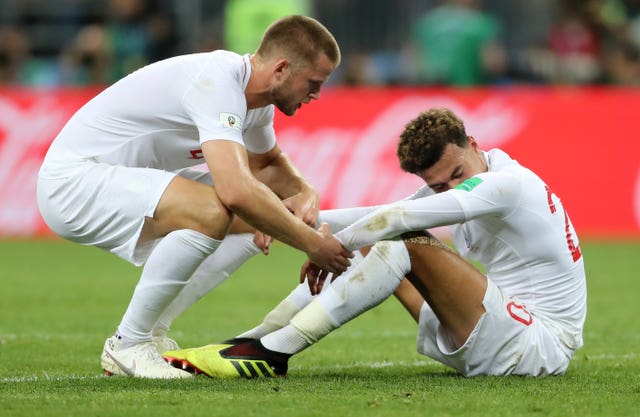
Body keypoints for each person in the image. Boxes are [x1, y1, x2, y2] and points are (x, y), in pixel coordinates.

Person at [36, 15, 353, 379]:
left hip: (115, 179)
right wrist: (312, 243)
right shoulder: (217, 82)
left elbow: (267, 165)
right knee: (217, 210)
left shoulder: (256, 100)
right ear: (281, 69)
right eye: (313, 83)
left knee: (256, 225)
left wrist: (303, 191)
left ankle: (150, 333)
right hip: (74, 182)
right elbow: (235, 190)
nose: (316, 94)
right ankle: (128, 344)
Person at [165, 108, 587, 378]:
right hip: (494, 329)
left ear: (474, 144)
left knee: (398, 239)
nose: (449, 188)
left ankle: (272, 353)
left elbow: (397, 221)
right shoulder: (461, 183)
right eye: (437, 185)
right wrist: (287, 225)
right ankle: (250, 340)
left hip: (537, 344)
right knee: (379, 240)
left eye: (456, 173)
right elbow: (376, 214)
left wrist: (320, 245)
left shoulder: (506, 185)